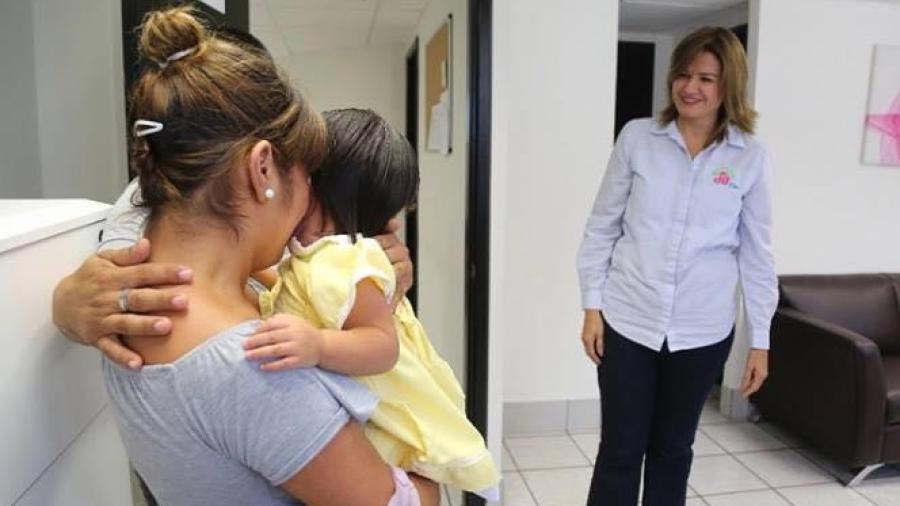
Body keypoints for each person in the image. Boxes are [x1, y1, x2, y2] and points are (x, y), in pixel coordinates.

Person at [62, 7, 438, 505]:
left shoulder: (127, 254)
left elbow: (145, 190)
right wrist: (434, 470)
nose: (310, 203)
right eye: (308, 177)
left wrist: (64, 307)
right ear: (262, 169)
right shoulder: (259, 367)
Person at [245, 108, 500, 499]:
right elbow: (284, 292)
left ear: (320, 189)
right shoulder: (312, 256)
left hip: (385, 428)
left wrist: (317, 346)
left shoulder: (345, 260)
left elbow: (383, 344)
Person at [576, 26, 777, 505]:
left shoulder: (750, 156)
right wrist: (591, 308)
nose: (691, 87)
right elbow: (601, 227)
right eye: (684, 75)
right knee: (620, 449)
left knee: (673, 449)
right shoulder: (638, 139)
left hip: (702, 330)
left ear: (729, 86)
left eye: (707, 78)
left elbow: (757, 254)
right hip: (628, 321)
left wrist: (761, 342)